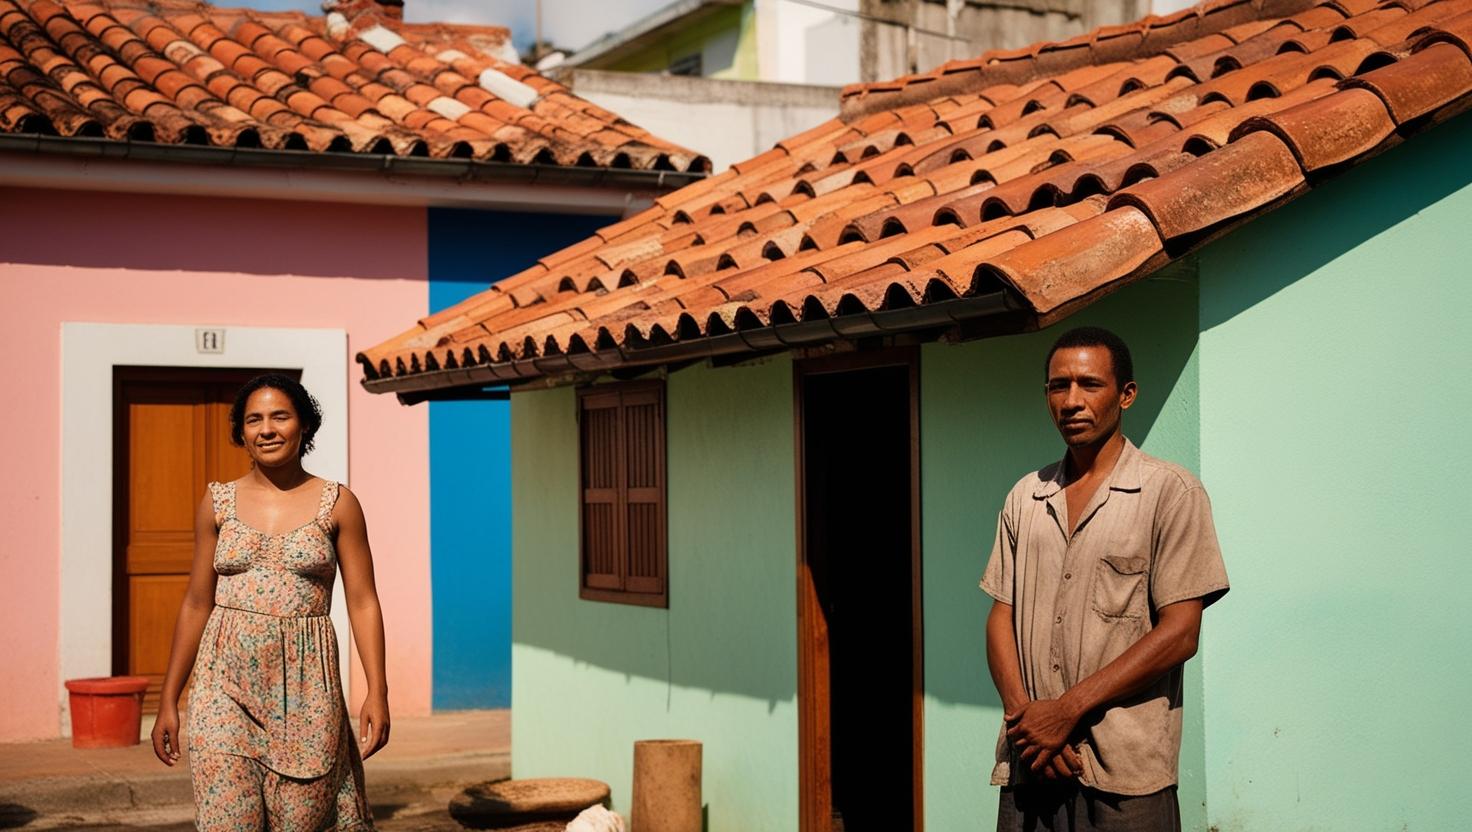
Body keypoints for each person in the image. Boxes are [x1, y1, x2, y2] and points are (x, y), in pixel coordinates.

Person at [981, 327, 1229, 831]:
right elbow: (999, 618)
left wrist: (1066, 711)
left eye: (1089, 384)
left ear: (1126, 395)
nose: (1072, 401)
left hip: (1126, 775)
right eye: (1058, 386)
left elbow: (1180, 632)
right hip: (1033, 769)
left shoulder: (1170, 492)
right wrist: (1029, 724)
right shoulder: (1025, 498)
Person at [150, 374, 389, 831]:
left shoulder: (339, 504)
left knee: (301, 822)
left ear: (304, 427)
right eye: (254, 420)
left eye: (280, 416)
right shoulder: (217, 502)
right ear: (241, 433)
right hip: (224, 690)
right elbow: (197, 602)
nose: (267, 429)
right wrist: (168, 698)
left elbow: (363, 602)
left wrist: (376, 691)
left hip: (308, 695)